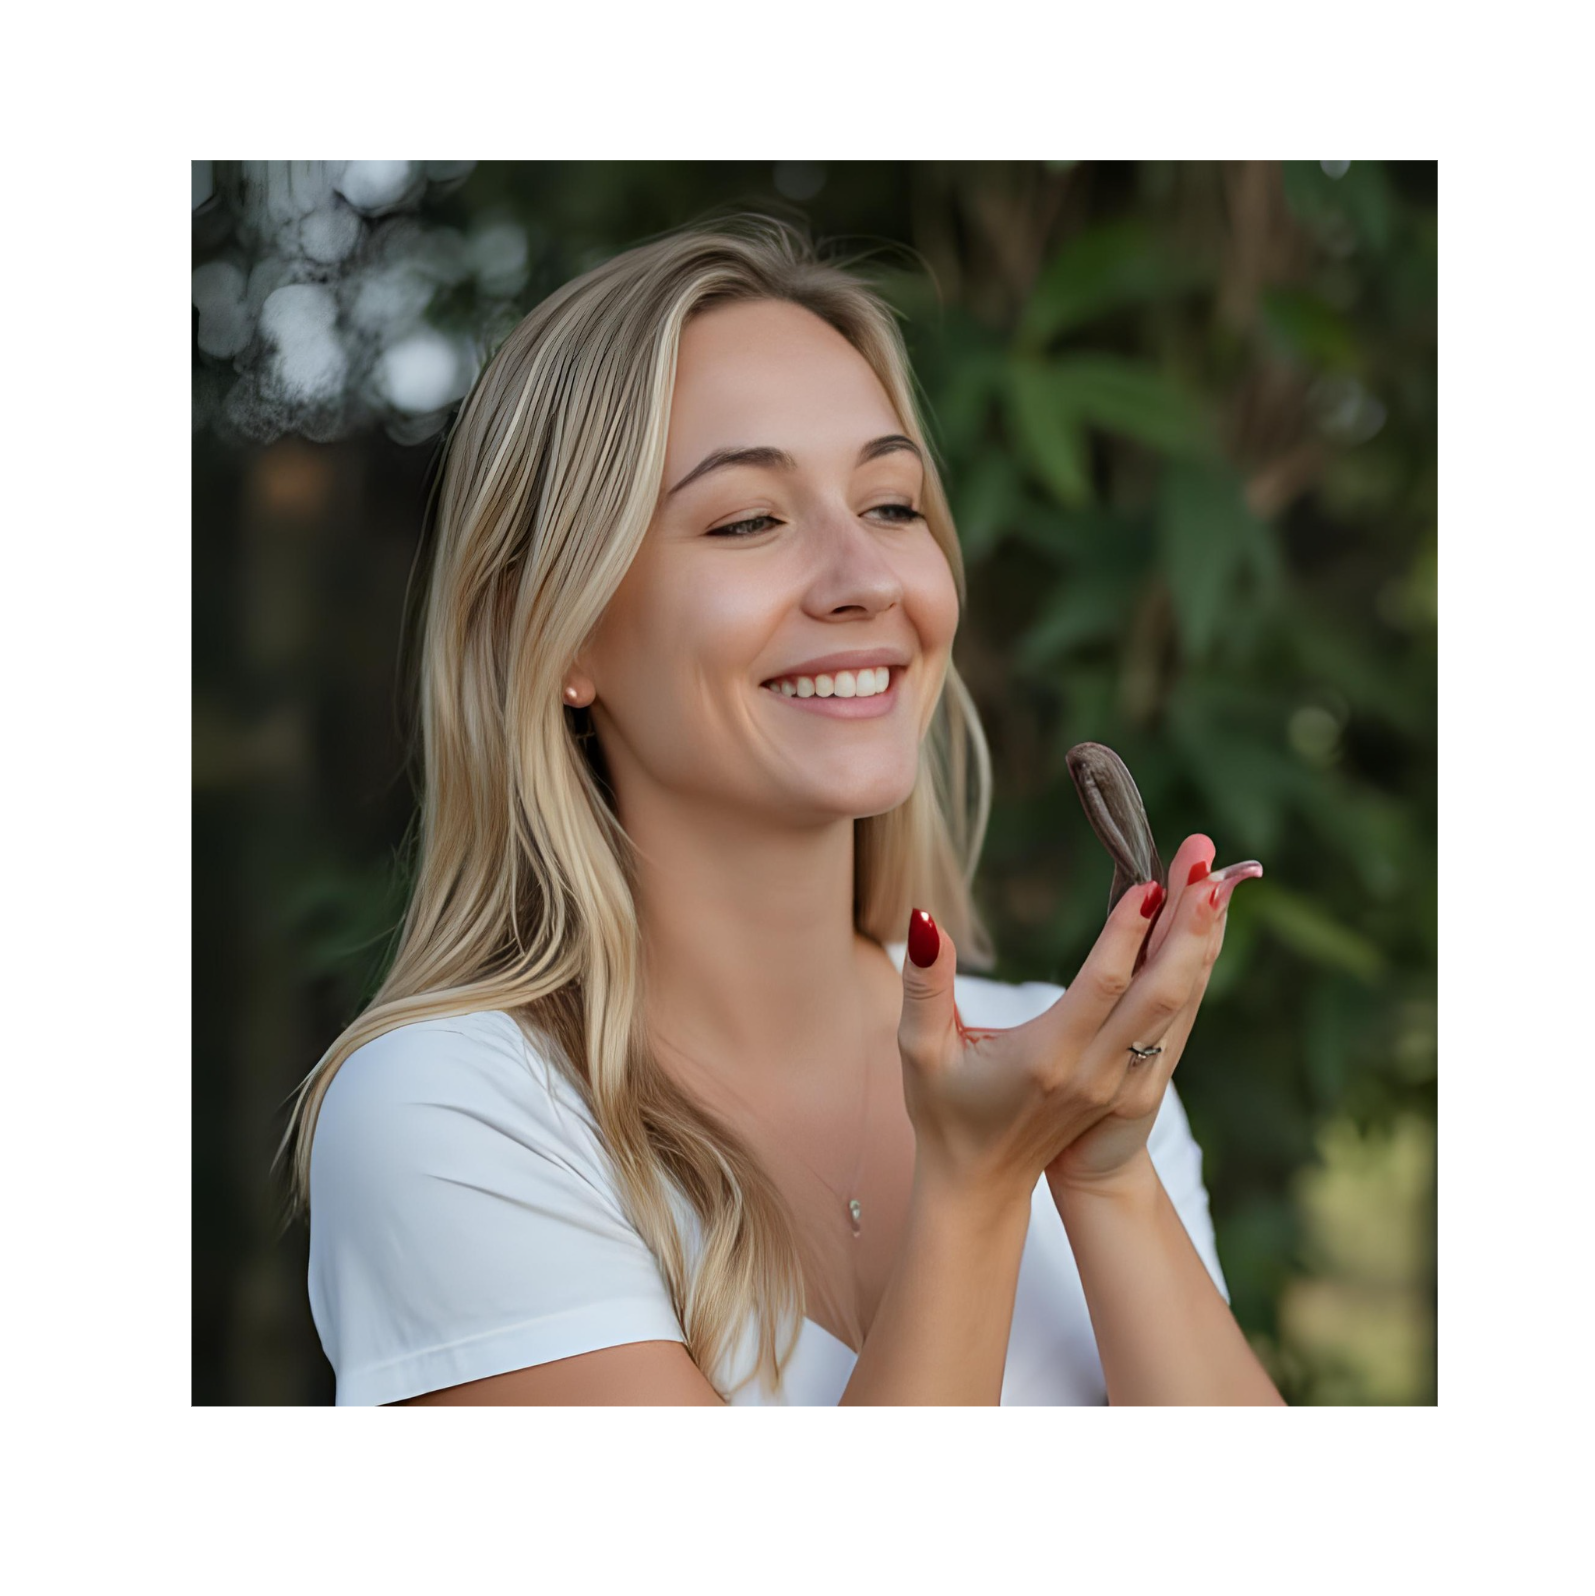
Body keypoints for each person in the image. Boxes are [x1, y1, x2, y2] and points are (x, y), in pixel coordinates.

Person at [279, 214, 1285, 1406]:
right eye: (749, 519)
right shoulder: (457, 1117)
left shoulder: (1067, 1070)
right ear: (548, 630)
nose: (866, 580)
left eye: (892, 505)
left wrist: (1103, 1172)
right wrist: (972, 1191)